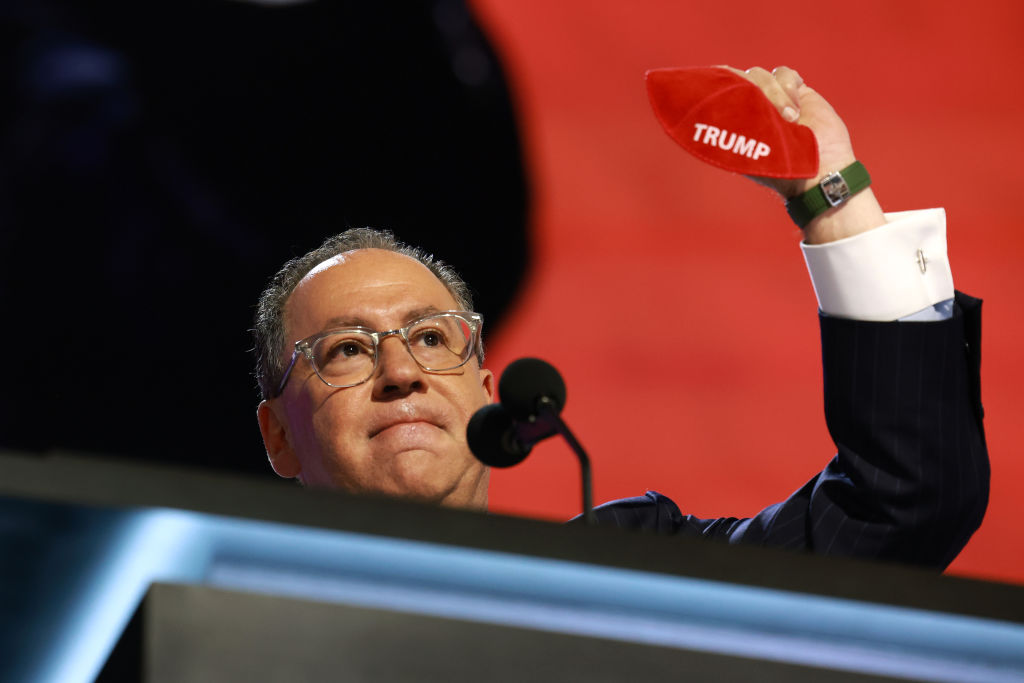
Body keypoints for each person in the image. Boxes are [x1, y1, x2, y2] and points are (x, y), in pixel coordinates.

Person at [253, 66, 988, 568]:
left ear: (484, 388)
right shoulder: (208, 616)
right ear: (278, 435)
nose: (402, 372)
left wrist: (830, 192)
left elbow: (907, 501)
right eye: (347, 348)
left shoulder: (631, 566)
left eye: (431, 337)